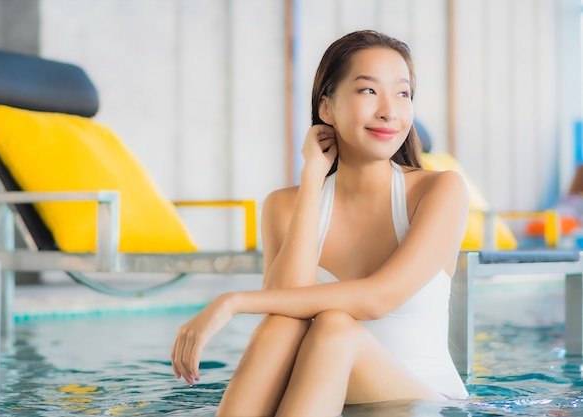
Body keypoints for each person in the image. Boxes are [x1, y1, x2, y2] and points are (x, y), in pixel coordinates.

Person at [170, 29, 470, 417]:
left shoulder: (440, 190)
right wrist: (313, 177)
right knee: (287, 322)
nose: (389, 111)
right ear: (326, 108)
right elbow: (284, 308)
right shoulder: (283, 205)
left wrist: (232, 302)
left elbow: (378, 299)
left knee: (333, 326)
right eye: (367, 91)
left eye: (402, 93)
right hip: (326, 400)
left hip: (421, 401)